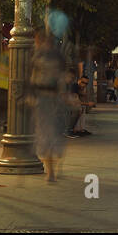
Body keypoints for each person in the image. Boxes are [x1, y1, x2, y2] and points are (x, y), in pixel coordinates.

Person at [29, 31, 67, 182]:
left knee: (46, 134)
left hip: (45, 99)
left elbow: (33, 78)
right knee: (52, 133)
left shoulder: (39, 57)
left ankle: (51, 171)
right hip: (50, 99)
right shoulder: (55, 57)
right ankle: (53, 169)